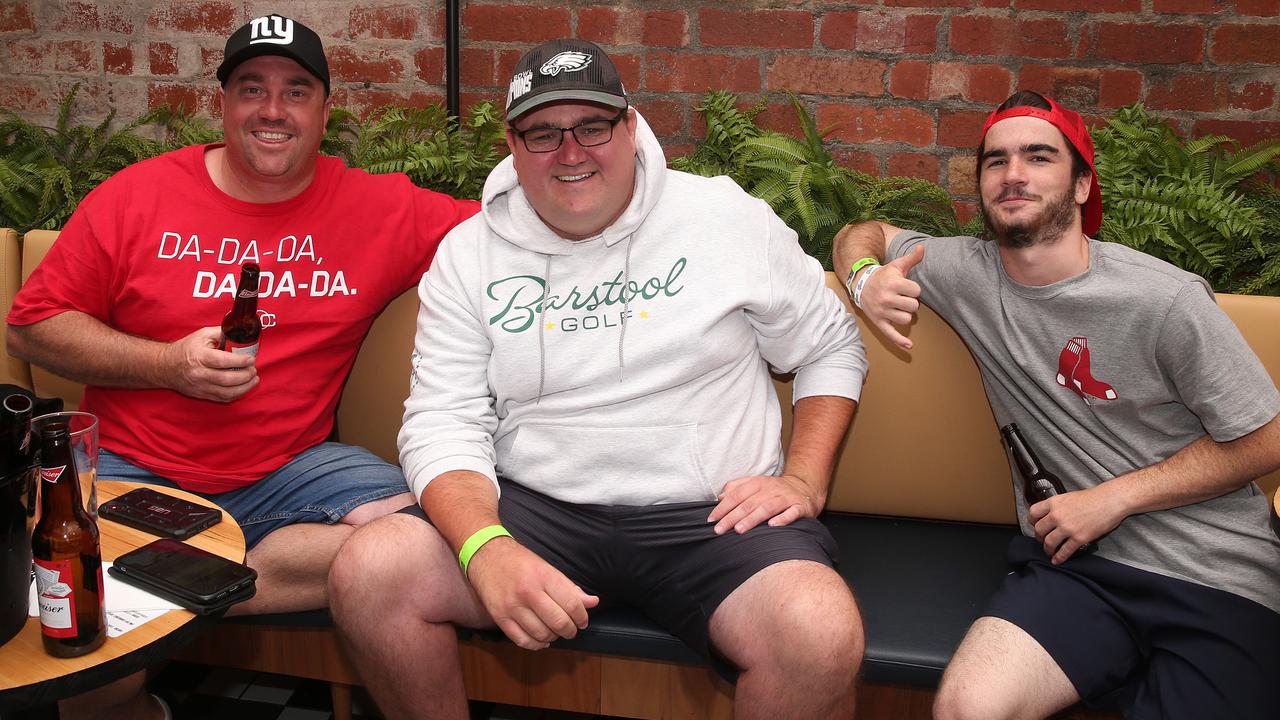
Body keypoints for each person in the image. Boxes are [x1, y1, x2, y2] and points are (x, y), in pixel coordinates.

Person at [327, 39, 868, 719]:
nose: (571, 151)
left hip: (712, 518)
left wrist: (803, 479)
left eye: (593, 126)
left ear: (631, 126)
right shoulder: (470, 255)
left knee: (819, 632)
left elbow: (831, 344)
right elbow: (442, 421)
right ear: (512, 143)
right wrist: (484, 547)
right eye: (544, 133)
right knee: (370, 574)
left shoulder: (723, 218)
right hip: (539, 508)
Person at [6, 14, 477, 719]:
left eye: (296, 90)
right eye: (251, 87)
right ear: (222, 103)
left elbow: (518, 220)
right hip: (138, 471)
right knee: (83, 635)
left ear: (324, 110)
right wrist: (167, 364)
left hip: (292, 471)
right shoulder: (135, 198)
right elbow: (32, 327)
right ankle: (154, 600)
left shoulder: (380, 209)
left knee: (441, 540)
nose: (272, 109)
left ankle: (162, 590)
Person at [833, 90, 1280, 720]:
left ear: (1080, 186)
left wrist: (1114, 497)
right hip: (1077, 570)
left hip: (1213, 573)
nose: (1013, 173)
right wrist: (865, 278)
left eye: (1038, 156)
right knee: (967, 707)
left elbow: (1269, 438)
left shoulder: (1163, 300)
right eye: (996, 161)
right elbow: (863, 231)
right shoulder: (966, 272)